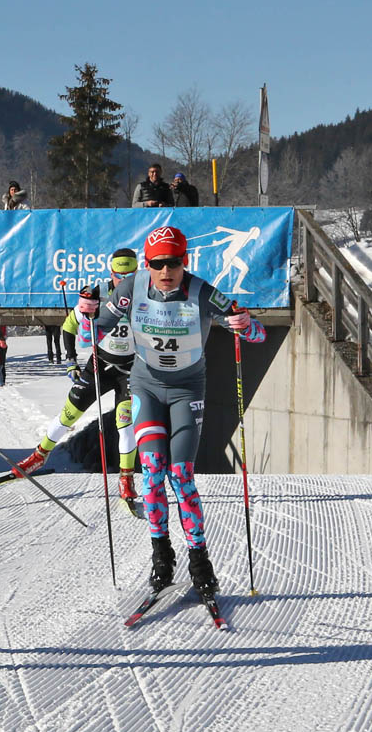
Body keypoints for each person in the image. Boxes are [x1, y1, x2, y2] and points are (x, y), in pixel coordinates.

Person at [85, 225, 266, 594]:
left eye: (174, 263)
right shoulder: (131, 288)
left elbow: (256, 334)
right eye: (157, 263)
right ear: (147, 264)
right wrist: (85, 311)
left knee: (181, 476)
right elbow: (91, 328)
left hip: (187, 390)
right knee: (152, 473)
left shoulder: (201, 292)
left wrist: (245, 326)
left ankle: (199, 561)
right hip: (146, 387)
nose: (166, 271)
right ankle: (161, 556)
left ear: (185, 261)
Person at [13, 249, 142, 505]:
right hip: (101, 363)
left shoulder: (145, 294)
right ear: (111, 272)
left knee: (125, 425)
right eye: (119, 275)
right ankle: (39, 455)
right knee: (69, 414)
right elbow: (69, 326)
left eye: (130, 275)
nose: (124, 280)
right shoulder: (97, 293)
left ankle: (126, 478)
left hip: (131, 368)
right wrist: (71, 360)